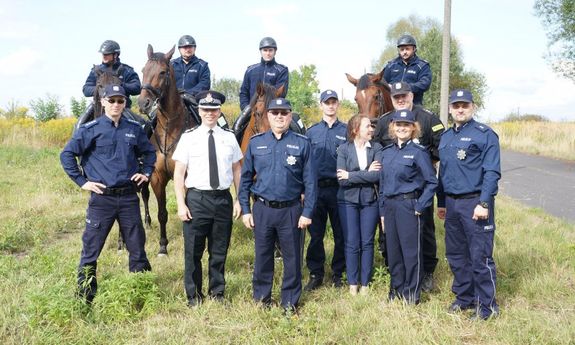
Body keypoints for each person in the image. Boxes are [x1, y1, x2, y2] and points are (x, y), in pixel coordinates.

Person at [60, 85, 155, 304]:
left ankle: (141, 294)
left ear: (125, 103)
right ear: (102, 102)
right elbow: (67, 155)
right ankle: (85, 298)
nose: (116, 105)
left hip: (129, 197)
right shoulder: (90, 129)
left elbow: (149, 152)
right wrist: (83, 182)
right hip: (102, 199)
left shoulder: (134, 128)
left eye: (120, 101)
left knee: (137, 248)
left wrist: (146, 172)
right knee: (91, 249)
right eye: (111, 100)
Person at [238, 98, 317, 312]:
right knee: (263, 257)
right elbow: (245, 179)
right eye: (275, 113)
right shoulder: (256, 143)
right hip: (262, 210)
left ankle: (289, 302)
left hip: (291, 211)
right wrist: (245, 209)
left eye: (284, 113)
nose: (279, 117)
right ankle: (262, 299)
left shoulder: (302, 143)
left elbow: (310, 182)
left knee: (292, 259)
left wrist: (307, 211)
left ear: (290, 116)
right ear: (268, 116)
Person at [172, 90, 242, 307]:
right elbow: (178, 173)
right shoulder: (188, 137)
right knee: (193, 251)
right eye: (205, 109)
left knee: (219, 250)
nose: (210, 113)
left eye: (213, 109)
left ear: (219, 111)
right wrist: (181, 203)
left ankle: (217, 293)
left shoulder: (229, 137)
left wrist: (239, 199)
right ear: (199, 111)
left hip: (222, 199)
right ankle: (194, 296)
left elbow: (237, 169)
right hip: (197, 200)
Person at [373, 81, 444, 292]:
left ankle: (423, 278)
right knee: (394, 247)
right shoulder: (385, 122)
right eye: (396, 97)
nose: (401, 100)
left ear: (412, 96)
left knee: (423, 237)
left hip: (415, 195)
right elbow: (377, 149)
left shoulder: (428, 118)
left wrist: (421, 166)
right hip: (392, 199)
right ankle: (397, 287)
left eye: (404, 96)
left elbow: (442, 146)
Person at [437, 89, 501, 320]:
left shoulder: (485, 135)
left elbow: (492, 172)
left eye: (464, 105)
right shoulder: (445, 137)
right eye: (456, 105)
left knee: (480, 256)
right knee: (456, 255)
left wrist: (484, 202)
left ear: (472, 107)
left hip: (475, 202)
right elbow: (443, 173)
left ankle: (487, 307)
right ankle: (465, 298)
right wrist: (441, 202)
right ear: (450, 109)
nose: (460, 109)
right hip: (452, 205)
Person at [378, 109, 438, 304]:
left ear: (413, 128)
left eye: (406, 125)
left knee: (410, 252)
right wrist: (382, 212)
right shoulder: (386, 153)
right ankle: (396, 289)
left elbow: (431, 182)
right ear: (392, 127)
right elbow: (382, 183)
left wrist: (420, 205)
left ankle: (412, 293)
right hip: (390, 206)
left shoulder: (418, 153)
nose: (402, 128)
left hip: (408, 206)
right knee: (393, 251)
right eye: (398, 124)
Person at [303, 90, 347, 291]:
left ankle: (339, 273)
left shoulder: (347, 131)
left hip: (340, 190)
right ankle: (316, 273)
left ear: (338, 105)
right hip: (317, 190)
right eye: (326, 102)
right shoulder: (311, 132)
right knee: (316, 234)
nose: (330, 106)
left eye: (333, 102)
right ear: (320, 105)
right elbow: (304, 164)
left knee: (341, 233)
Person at [336, 114, 382, 296]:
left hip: (370, 200)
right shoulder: (343, 149)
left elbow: (377, 176)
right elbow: (341, 180)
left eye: (371, 126)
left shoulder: (376, 148)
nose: (371, 129)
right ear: (355, 129)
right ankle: (353, 283)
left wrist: (351, 175)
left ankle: (365, 283)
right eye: (367, 126)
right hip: (347, 201)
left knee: (367, 242)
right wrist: (364, 174)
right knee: (352, 242)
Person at [233, 37, 289, 138]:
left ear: (275, 52)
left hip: (274, 109)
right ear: (261, 51)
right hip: (252, 108)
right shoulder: (251, 70)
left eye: (270, 50)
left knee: (294, 126)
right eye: (265, 50)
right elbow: (244, 92)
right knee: (236, 128)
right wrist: (246, 107)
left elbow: (281, 92)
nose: (268, 53)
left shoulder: (281, 70)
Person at [82, 40, 141, 115]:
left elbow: (137, 88)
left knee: (140, 125)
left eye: (107, 54)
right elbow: (86, 89)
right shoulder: (95, 71)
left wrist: (120, 86)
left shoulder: (127, 70)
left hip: (121, 107)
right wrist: (101, 89)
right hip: (98, 107)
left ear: (115, 55)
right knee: (79, 125)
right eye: (103, 54)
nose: (104, 56)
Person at [381, 34, 431, 105]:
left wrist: (405, 88)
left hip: (414, 104)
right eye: (402, 49)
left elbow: (424, 84)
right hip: (393, 104)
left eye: (407, 49)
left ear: (414, 49)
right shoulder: (391, 65)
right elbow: (382, 82)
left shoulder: (422, 66)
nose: (404, 52)